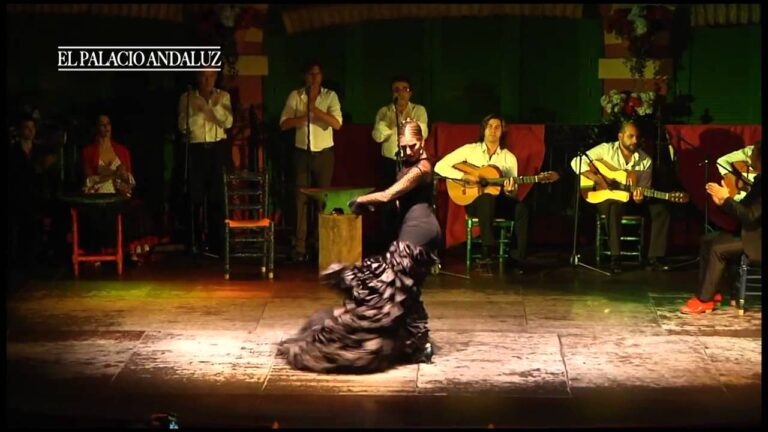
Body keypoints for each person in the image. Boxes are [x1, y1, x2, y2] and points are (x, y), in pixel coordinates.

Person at [278, 119, 439, 373]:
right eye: (404, 146)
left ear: (423, 141)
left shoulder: (423, 168)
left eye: (413, 145)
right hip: (413, 228)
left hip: (420, 231)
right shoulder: (410, 164)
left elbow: (389, 194)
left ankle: (418, 343)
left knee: (391, 284)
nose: (408, 151)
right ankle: (419, 344)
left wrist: (361, 200)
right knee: (405, 288)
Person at [570, 120, 671, 273]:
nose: (635, 141)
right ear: (620, 136)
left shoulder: (645, 161)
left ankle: (655, 258)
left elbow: (643, 189)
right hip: (603, 196)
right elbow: (576, 161)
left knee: (661, 210)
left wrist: (639, 198)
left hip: (631, 198)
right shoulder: (606, 150)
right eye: (631, 136)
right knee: (615, 205)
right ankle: (615, 258)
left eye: (637, 137)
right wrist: (598, 179)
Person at [434, 114, 529, 272]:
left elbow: (512, 193)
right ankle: (487, 251)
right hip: (474, 202)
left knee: (522, 209)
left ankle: (516, 258)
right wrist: (463, 176)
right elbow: (439, 166)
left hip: (499, 199)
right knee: (486, 198)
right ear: (484, 130)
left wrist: (510, 190)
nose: (493, 130)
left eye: (497, 127)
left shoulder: (508, 158)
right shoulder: (470, 150)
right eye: (490, 126)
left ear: (502, 131)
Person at [680, 141, 762, 314]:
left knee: (718, 249)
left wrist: (726, 199)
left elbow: (751, 216)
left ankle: (704, 299)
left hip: (757, 240)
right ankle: (712, 292)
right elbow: (745, 208)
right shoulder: (760, 179)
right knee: (707, 240)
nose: (749, 156)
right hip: (752, 233)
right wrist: (723, 202)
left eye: (753, 153)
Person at [279, 60, 343, 261]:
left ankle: (321, 244)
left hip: (324, 154)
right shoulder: (296, 96)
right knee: (301, 200)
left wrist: (315, 110)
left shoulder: (330, 96)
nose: (314, 78)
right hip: (302, 153)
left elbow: (337, 124)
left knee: (323, 200)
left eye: (317, 74)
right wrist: (302, 118)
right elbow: (283, 123)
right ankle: (300, 246)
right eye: (310, 74)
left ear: (322, 77)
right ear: (304, 77)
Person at [81, 114, 155, 262]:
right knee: (102, 213)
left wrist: (123, 178)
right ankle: (101, 250)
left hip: (119, 194)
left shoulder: (121, 150)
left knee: (136, 210)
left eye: (108, 124)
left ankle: (131, 250)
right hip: (100, 196)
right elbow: (89, 180)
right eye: (102, 124)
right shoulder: (89, 152)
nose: (106, 127)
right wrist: (110, 174)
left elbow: (130, 181)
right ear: (96, 128)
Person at [177, 69, 234, 255]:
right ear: (197, 77)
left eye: (211, 75)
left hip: (217, 149)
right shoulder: (187, 98)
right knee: (195, 195)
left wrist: (211, 108)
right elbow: (184, 126)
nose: (207, 79)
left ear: (216, 77)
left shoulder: (223, 96)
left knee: (218, 196)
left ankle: (218, 244)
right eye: (203, 75)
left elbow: (227, 122)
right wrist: (202, 113)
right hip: (195, 150)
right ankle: (195, 243)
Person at [371, 76, 429, 251]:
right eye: (396, 89)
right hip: (389, 162)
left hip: (411, 163)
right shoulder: (384, 112)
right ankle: (388, 245)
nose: (400, 93)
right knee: (388, 204)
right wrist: (395, 124)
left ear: (410, 92)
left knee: (411, 203)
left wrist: (399, 125)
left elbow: (421, 132)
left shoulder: (419, 110)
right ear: (392, 93)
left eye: (404, 89)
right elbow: (377, 136)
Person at [7, 115, 47, 269]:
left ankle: (35, 259)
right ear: (20, 130)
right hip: (18, 195)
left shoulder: (39, 151)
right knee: (20, 228)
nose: (30, 131)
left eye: (32, 128)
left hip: (36, 195)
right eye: (26, 128)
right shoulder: (13, 151)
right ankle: (20, 260)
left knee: (35, 228)